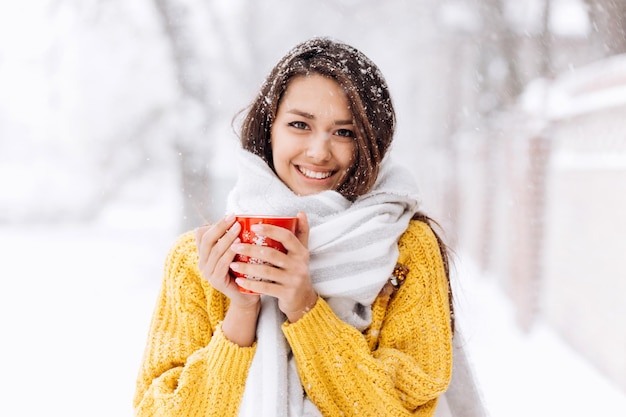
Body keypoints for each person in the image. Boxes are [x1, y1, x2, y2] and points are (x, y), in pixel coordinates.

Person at [134, 37, 454, 417]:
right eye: (300, 125)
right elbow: (157, 410)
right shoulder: (198, 260)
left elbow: (406, 406)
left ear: (372, 141)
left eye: (344, 132)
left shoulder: (406, 247)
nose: (319, 151)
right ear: (269, 129)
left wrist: (305, 306)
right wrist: (241, 312)